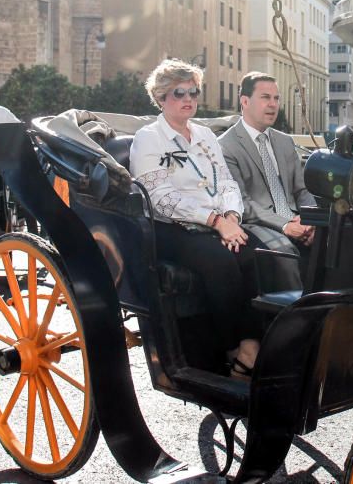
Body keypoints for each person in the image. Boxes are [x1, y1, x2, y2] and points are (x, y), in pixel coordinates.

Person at [129, 59, 262, 377]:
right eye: (179, 93)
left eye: (193, 92)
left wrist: (231, 215)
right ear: (161, 98)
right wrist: (216, 221)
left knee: (256, 251)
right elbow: (161, 198)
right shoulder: (148, 138)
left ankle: (254, 341)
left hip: (215, 223)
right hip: (170, 229)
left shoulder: (204, 134)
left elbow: (227, 181)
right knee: (220, 260)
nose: (188, 99)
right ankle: (234, 351)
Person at [219, 72, 314, 287]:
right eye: (265, 97)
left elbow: (302, 190)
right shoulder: (225, 146)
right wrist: (285, 225)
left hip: (297, 219)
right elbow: (242, 202)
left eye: (276, 98)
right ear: (244, 101)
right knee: (284, 254)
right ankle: (294, 318)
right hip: (257, 223)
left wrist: (310, 220)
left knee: (337, 242)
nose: (273, 105)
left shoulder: (285, 142)